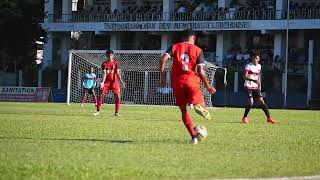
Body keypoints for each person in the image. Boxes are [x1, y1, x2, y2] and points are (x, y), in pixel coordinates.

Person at [159, 29, 216, 144]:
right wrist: (208, 86)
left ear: (182, 37)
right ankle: (198, 106)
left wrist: (163, 77)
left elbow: (163, 59)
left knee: (184, 112)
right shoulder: (198, 50)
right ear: (194, 38)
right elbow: (200, 71)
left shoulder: (175, 46)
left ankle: (194, 137)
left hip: (178, 83)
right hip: (192, 82)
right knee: (201, 104)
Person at [242, 53, 277, 124]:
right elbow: (244, 76)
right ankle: (245, 117)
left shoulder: (259, 66)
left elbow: (258, 76)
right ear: (252, 59)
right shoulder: (248, 66)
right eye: (254, 58)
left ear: (259, 59)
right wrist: (253, 80)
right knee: (251, 102)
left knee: (261, 101)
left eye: (257, 58)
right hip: (248, 86)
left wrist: (259, 84)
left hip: (255, 87)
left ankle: (269, 118)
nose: (255, 60)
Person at [93, 50, 125, 117]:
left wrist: (121, 81)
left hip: (114, 82)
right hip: (106, 83)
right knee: (101, 95)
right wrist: (102, 82)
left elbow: (118, 73)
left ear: (113, 55)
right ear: (106, 56)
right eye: (108, 55)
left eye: (111, 55)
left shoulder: (116, 63)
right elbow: (104, 73)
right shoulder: (104, 64)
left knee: (118, 97)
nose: (110, 57)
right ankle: (98, 111)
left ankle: (116, 113)